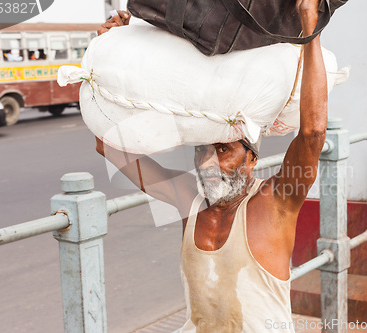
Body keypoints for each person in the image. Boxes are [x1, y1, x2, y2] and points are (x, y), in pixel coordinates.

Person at [96, 1, 327, 331]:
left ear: (252, 158)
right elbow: (107, 145)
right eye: (202, 150)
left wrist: (310, 29)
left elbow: (313, 133)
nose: (207, 162)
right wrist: (108, 55)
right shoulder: (186, 200)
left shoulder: (276, 202)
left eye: (222, 150)